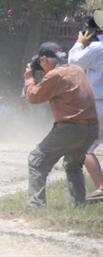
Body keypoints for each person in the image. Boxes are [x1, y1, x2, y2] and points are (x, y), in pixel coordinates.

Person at [23, 42, 99, 208]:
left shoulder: (54, 75)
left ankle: (35, 205)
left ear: (44, 59)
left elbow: (33, 97)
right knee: (73, 164)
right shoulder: (77, 69)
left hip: (71, 127)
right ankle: (78, 205)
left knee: (37, 160)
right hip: (91, 127)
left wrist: (29, 79)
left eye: (41, 62)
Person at [67, 12, 103, 198]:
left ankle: (101, 187)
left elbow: (74, 62)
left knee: (86, 147)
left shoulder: (97, 47)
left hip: (97, 104)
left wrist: (80, 42)